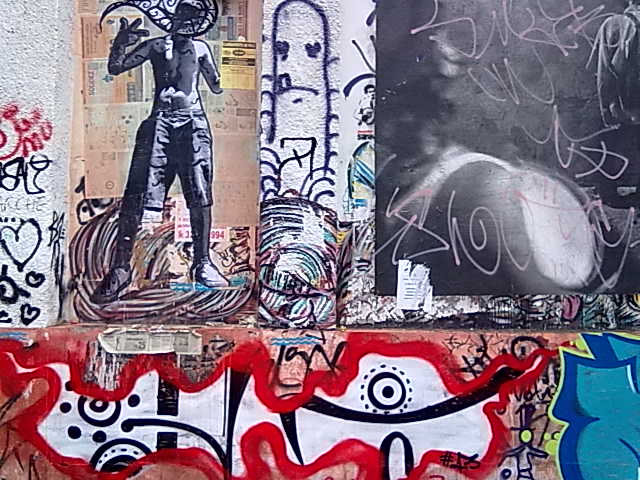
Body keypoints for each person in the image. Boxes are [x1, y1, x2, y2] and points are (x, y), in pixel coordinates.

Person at [91, 0, 229, 304]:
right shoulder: (156, 46)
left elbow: (216, 85)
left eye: (193, 20)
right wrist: (121, 42)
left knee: (199, 193)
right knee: (137, 194)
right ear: (174, 18)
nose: (187, 24)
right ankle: (120, 268)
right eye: (183, 17)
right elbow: (116, 67)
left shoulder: (201, 49)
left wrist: (228, 70)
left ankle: (202, 263)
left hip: (192, 123)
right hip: (160, 122)